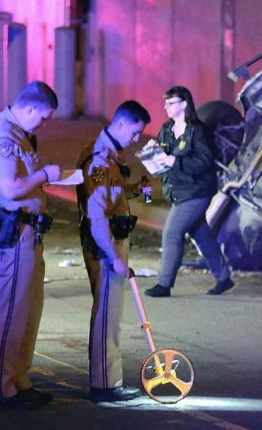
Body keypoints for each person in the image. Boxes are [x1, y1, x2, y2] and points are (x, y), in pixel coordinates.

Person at [0, 81, 62, 410]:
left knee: (28, 311)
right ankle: (0, 389)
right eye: (43, 118)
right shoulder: (2, 134)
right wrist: (44, 176)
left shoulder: (18, 132)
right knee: (11, 312)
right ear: (28, 109)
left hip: (29, 233)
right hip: (13, 233)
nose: (44, 124)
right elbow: (11, 189)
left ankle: (18, 379)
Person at [76, 100, 151, 402]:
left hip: (110, 239)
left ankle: (107, 381)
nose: (136, 140)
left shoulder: (108, 156)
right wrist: (115, 258)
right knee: (107, 315)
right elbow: (96, 216)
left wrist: (134, 189)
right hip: (105, 243)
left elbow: (112, 194)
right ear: (121, 124)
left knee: (110, 313)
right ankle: (105, 385)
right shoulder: (99, 161)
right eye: (135, 133)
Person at [144, 86, 234, 298]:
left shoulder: (198, 131)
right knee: (201, 234)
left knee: (172, 233)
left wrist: (174, 160)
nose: (166, 107)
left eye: (171, 103)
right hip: (178, 191)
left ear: (184, 104)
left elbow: (205, 162)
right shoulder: (166, 129)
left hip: (197, 191)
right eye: (165, 103)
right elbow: (162, 160)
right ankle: (224, 278)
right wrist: (153, 153)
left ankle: (164, 284)